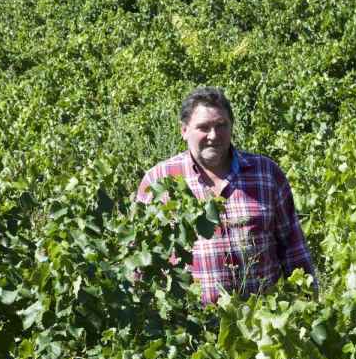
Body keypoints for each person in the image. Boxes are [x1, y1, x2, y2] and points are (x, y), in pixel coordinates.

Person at [136, 86, 318, 305]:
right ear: (184, 130)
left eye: (221, 125)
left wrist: (309, 306)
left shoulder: (266, 174)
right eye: (203, 127)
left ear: (231, 126)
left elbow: (294, 248)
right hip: (189, 326)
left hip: (264, 326)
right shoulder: (159, 180)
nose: (213, 135)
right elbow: (140, 259)